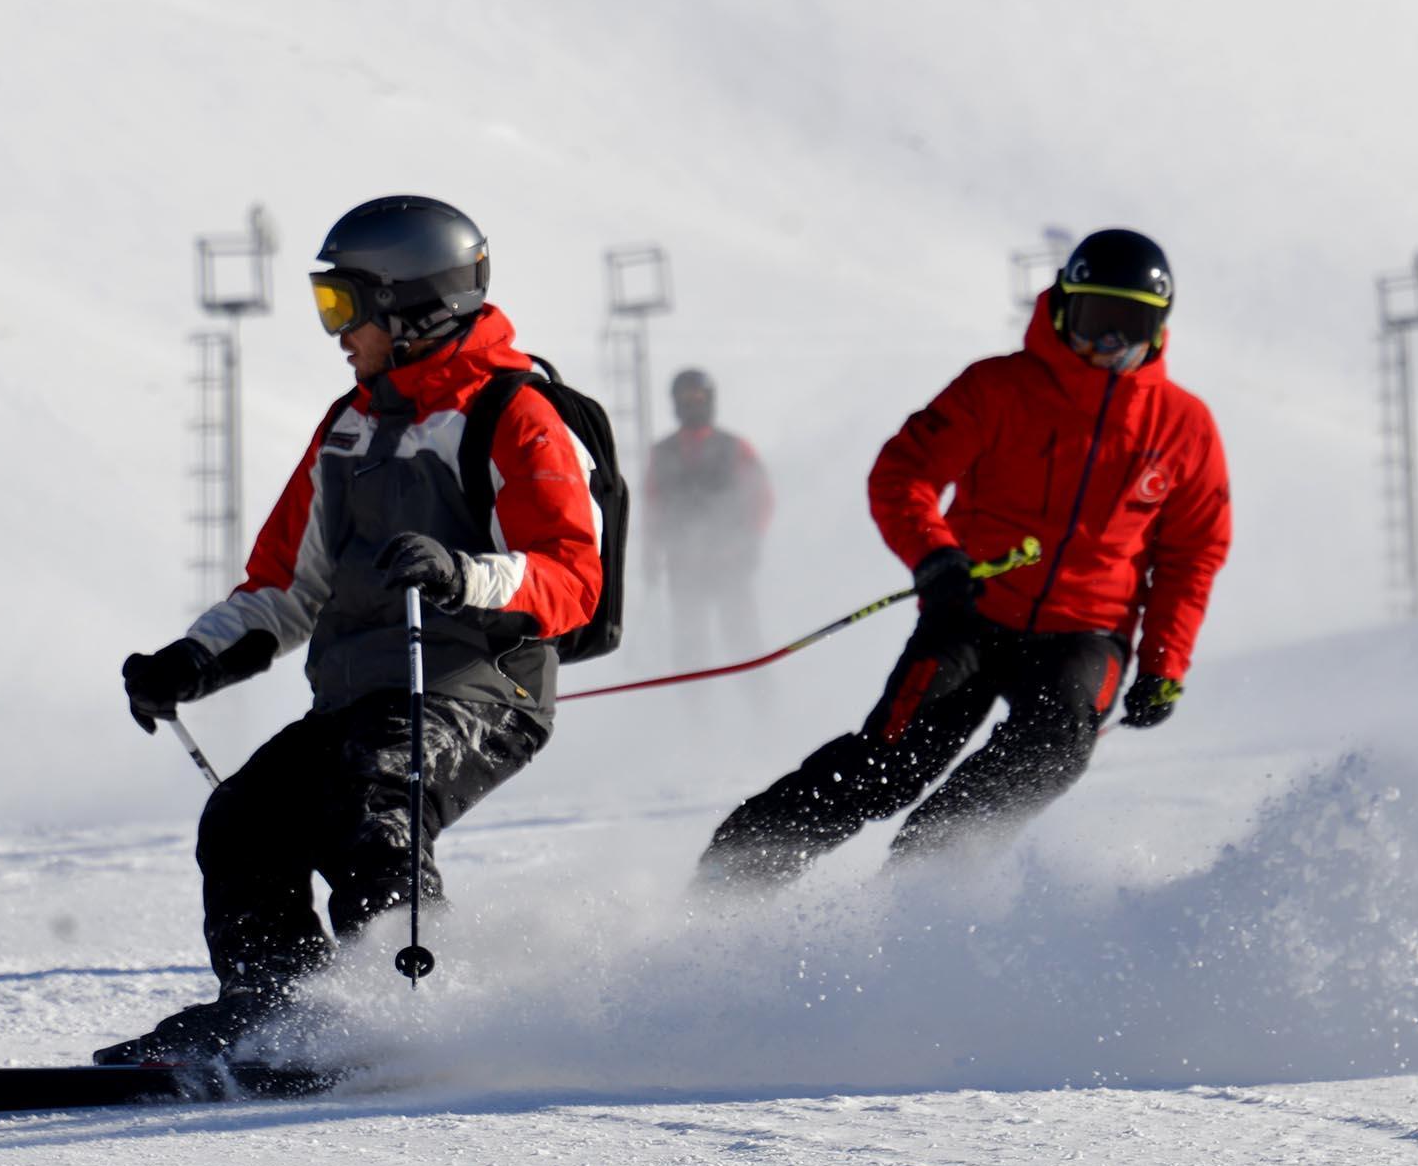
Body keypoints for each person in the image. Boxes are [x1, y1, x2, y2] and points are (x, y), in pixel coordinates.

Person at [103, 195, 603, 1063]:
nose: (337, 330)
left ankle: (407, 1014)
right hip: (361, 694)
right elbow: (285, 586)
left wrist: (460, 574)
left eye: (346, 306)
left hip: (481, 688)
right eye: (326, 304)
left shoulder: (513, 416)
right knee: (244, 816)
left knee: (375, 797)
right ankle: (280, 1010)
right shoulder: (351, 425)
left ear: (415, 307)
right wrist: (190, 661)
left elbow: (572, 575)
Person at [695, 228, 1229, 885]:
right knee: (893, 765)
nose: (1107, 347)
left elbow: (1192, 552)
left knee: (1052, 750)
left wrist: (1164, 662)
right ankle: (731, 878)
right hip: (972, 609)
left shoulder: (1183, 427)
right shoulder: (1000, 388)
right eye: (1094, 322)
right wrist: (935, 556)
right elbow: (903, 473)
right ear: (1062, 312)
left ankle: (916, 897)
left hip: (1085, 633)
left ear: (1160, 329)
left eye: (1130, 326)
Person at [643, 368, 773, 669]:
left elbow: (761, 498)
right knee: (690, 647)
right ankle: (695, 710)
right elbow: (652, 508)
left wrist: (751, 539)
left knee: (743, 641)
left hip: (730, 560)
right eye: (685, 399)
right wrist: (651, 557)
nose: (692, 405)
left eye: (698, 398)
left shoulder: (735, 448)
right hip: (684, 565)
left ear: (710, 400)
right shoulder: (662, 454)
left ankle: (761, 705)